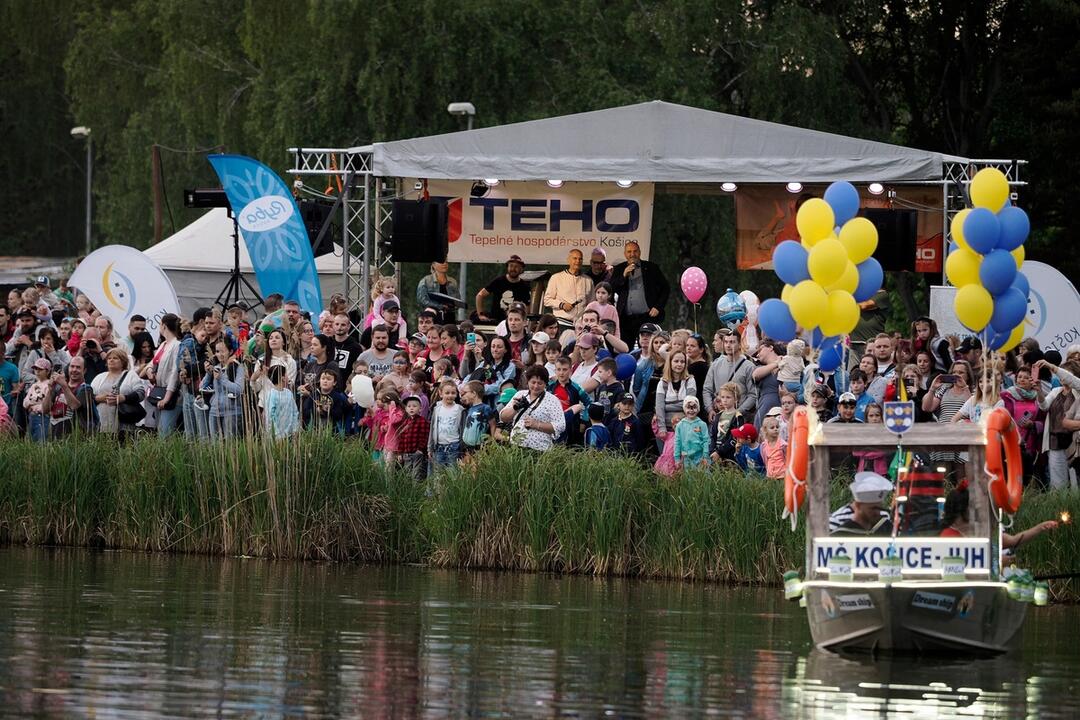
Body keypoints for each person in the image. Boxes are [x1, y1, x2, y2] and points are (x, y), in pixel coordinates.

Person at [940, 481, 1059, 550]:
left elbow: (1014, 540)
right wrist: (1000, 561)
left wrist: (1040, 527)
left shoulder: (981, 531)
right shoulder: (944, 536)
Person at [609, 241, 670, 345]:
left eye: (635, 251)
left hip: (647, 317)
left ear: (640, 252)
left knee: (647, 347)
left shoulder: (651, 267)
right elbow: (611, 288)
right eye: (629, 252)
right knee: (625, 348)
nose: (632, 254)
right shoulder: (619, 269)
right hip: (626, 319)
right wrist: (623, 275)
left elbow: (665, 288)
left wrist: (658, 307)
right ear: (625, 254)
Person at [500, 365, 566, 452]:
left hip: (540, 448)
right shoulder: (520, 394)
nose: (536, 386)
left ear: (545, 383)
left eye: (540, 383)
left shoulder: (553, 400)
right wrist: (514, 408)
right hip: (516, 445)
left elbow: (561, 425)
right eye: (533, 382)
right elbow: (503, 417)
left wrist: (537, 424)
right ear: (528, 381)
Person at [91, 348, 146, 436]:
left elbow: (141, 393)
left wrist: (123, 398)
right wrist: (99, 398)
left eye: (115, 358)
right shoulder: (99, 377)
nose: (111, 360)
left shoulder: (131, 375)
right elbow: (89, 397)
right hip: (101, 423)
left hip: (124, 424)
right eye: (109, 358)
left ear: (123, 361)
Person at [703, 331, 757, 420]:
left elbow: (753, 394)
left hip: (740, 417)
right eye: (726, 342)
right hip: (719, 415)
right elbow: (707, 389)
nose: (728, 345)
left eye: (732, 342)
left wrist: (738, 412)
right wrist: (710, 409)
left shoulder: (749, 367)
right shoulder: (716, 364)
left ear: (740, 344)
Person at [202, 337, 246, 439]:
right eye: (217, 351)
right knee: (215, 445)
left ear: (230, 351)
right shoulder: (215, 367)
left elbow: (239, 389)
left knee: (231, 444)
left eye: (223, 351)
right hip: (214, 411)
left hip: (232, 412)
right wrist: (208, 373)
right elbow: (202, 387)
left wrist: (222, 378)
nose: (220, 354)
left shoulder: (238, 367)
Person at [148, 313, 183, 437]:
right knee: (159, 430)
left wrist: (167, 398)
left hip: (171, 394)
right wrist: (149, 370)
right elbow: (152, 363)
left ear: (164, 326)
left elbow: (175, 372)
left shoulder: (177, 345)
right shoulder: (163, 344)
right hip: (159, 390)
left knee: (165, 432)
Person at [829, 472, 894, 535]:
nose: (878, 512)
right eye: (873, 508)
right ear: (858, 505)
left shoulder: (885, 523)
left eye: (880, 508)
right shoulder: (838, 525)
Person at [474, 255, 531, 323]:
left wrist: (524, 320)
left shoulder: (524, 286)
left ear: (521, 269)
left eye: (516, 267)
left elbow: (527, 306)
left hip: (514, 322)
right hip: (496, 321)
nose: (513, 269)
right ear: (507, 267)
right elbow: (480, 295)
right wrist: (480, 315)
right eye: (511, 266)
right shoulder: (498, 281)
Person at [544, 249, 593, 323]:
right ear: (568, 260)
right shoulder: (556, 278)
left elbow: (591, 304)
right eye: (575, 258)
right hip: (562, 321)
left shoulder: (588, 280)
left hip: (581, 323)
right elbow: (547, 300)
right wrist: (562, 305)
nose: (578, 261)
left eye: (580, 259)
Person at [428, 380, 465, 467]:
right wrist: (430, 447)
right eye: (447, 393)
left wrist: (462, 447)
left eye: (453, 393)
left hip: (454, 446)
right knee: (439, 471)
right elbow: (432, 429)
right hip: (439, 446)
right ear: (441, 394)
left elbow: (462, 428)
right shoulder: (437, 409)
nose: (450, 395)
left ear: (456, 394)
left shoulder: (460, 409)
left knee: (453, 471)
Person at [301, 368, 347, 432]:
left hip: (331, 430)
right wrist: (316, 411)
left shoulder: (337, 396)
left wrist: (328, 410)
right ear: (319, 381)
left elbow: (339, 414)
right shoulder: (314, 394)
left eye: (328, 379)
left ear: (334, 383)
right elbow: (306, 411)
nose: (325, 381)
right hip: (314, 428)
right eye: (323, 379)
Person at [395, 395, 430, 480]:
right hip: (407, 453)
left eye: (414, 406)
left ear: (420, 409)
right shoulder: (406, 422)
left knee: (417, 474)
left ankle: (416, 487)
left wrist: (420, 449)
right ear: (406, 409)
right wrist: (400, 453)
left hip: (417, 453)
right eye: (409, 406)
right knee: (407, 474)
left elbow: (425, 437)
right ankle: (409, 488)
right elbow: (402, 438)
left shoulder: (422, 421)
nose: (411, 408)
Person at [709, 382, 745, 463]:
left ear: (736, 399)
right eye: (722, 397)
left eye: (728, 397)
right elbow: (713, 435)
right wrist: (712, 450)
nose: (725, 400)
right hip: (716, 453)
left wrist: (719, 452)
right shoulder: (718, 415)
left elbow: (734, 438)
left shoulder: (738, 417)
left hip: (730, 455)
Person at [460, 381, 496, 455]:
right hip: (467, 447)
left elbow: (493, 424)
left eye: (465, 393)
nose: (463, 395)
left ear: (474, 393)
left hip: (479, 448)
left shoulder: (485, 408)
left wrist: (493, 440)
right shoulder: (470, 409)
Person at [673, 396, 709, 469]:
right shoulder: (680, 425)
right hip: (686, 458)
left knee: (702, 475)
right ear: (684, 409)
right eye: (688, 408)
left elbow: (706, 440)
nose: (691, 410)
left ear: (698, 409)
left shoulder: (702, 424)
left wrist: (705, 456)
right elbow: (677, 442)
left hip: (700, 457)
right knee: (689, 475)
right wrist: (677, 458)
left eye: (694, 407)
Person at [264, 365, 300, 438]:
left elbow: (295, 411)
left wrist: (295, 429)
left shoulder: (289, 393)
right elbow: (270, 417)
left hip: (290, 434)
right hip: (277, 437)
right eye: (286, 374)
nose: (288, 376)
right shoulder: (271, 395)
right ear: (282, 378)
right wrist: (277, 435)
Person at [23, 358, 53, 441]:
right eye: (36, 369)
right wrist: (31, 403)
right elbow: (25, 402)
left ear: (47, 371)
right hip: (32, 416)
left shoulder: (49, 385)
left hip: (43, 417)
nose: (37, 371)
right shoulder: (33, 385)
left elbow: (46, 404)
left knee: (42, 440)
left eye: (40, 369)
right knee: (30, 439)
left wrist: (33, 406)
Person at [759, 413, 787, 479]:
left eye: (777, 427)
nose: (775, 429)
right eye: (772, 428)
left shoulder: (783, 444)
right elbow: (765, 459)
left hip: (783, 475)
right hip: (770, 476)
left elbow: (787, 458)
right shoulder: (764, 445)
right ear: (765, 430)